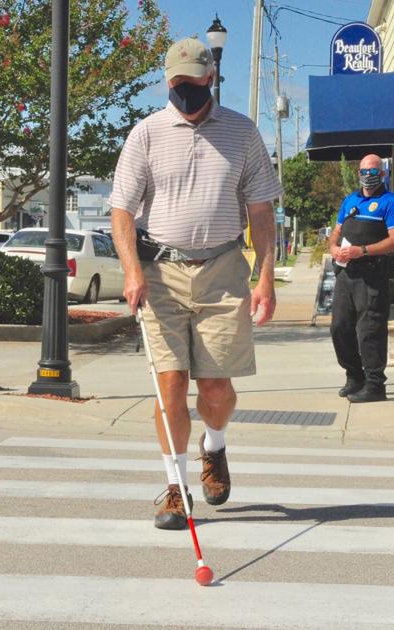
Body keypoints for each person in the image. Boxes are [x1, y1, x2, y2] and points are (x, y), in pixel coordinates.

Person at [110, 38, 282, 531]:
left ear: (212, 79)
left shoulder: (242, 133)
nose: (187, 91)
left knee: (215, 387)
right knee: (171, 386)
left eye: (196, 82)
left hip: (223, 271)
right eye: (178, 84)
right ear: (169, 82)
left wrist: (265, 278)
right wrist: (132, 270)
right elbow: (121, 210)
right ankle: (174, 487)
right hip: (160, 271)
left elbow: (261, 212)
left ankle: (215, 444)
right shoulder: (145, 134)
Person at [328, 155, 394, 403]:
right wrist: (334, 250)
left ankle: (375, 385)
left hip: (372, 275)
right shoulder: (351, 200)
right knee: (340, 327)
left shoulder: (390, 202)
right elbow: (335, 235)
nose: (367, 176)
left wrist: (363, 251)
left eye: (373, 171)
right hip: (346, 274)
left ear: (382, 174)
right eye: (363, 170)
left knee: (369, 330)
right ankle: (354, 376)